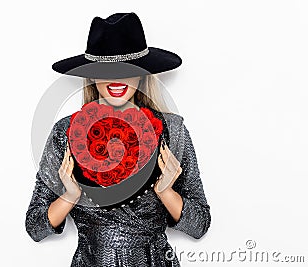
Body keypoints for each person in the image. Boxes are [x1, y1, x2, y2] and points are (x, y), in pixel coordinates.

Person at [25, 12, 211, 266]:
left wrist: (165, 191)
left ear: (142, 73)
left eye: (126, 69)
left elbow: (200, 225)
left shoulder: (171, 130)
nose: (116, 79)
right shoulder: (65, 132)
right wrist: (69, 195)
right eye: (105, 70)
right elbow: (35, 227)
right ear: (91, 75)